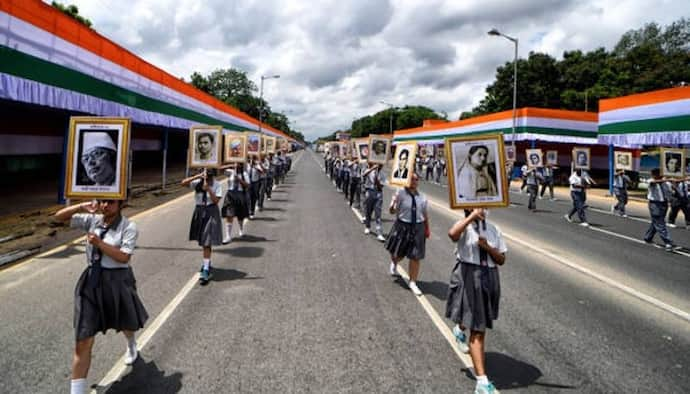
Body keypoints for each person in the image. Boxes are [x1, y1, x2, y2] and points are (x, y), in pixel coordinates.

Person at [55, 198, 148, 394]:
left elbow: (124, 256)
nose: (105, 206)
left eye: (111, 202)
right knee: (83, 339)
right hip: (92, 282)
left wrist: (99, 243)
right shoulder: (92, 220)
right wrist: (82, 206)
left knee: (125, 322)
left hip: (117, 281)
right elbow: (59, 218)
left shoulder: (128, 226)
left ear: (121, 204)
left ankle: (131, 344)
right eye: (103, 201)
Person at [446, 208, 506, 394]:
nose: (482, 210)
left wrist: (488, 247)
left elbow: (502, 259)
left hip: (489, 276)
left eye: (484, 207)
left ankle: (459, 328)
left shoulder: (494, 229)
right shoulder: (464, 227)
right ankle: (482, 381)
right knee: (478, 328)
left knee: (478, 320)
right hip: (470, 275)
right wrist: (471, 218)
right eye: (476, 207)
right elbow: (452, 234)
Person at [385, 173, 430, 296]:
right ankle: (394, 262)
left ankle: (412, 282)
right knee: (398, 253)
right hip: (403, 226)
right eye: (412, 179)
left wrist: (427, 228)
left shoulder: (422, 197)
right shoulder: (400, 193)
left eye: (416, 179)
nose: (414, 181)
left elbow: (425, 214)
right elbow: (392, 211)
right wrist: (393, 203)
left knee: (415, 256)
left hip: (418, 227)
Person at [182, 169, 223, 283]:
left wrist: (209, 189)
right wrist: (197, 176)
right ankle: (207, 262)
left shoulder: (217, 184)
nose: (208, 179)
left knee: (207, 241)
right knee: (202, 240)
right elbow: (183, 183)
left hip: (211, 211)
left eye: (210, 176)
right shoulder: (198, 182)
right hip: (199, 211)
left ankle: (205, 270)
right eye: (206, 176)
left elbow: (215, 201)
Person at [645, 169, 675, 251]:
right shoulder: (651, 181)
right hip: (655, 204)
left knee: (656, 222)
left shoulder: (666, 183)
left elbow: (670, 192)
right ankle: (668, 242)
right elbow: (653, 183)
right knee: (660, 223)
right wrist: (667, 179)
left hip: (664, 204)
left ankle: (648, 237)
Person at [222, 163, 250, 244]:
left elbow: (248, 185)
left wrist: (239, 179)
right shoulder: (230, 172)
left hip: (240, 194)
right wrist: (229, 164)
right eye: (236, 163)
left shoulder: (244, 174)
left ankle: (241, 229)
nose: (237, 165)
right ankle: (228, 236)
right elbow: (220, 169)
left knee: (240, 215)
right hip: (230, 194)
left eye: (239, 164)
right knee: (229, 214)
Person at [363, 163, 386, 241]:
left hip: (378, 194)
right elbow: (364, 175)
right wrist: (372, 169)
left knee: (378, 214)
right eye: (378, 164)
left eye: (381, 164)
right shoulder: (369, 170)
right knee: (368, 212)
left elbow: (381, 187)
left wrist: (377, 180)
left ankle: (379, 233)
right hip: (369, 192)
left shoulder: (383, 174)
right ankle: (367, 226)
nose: (379, 165)